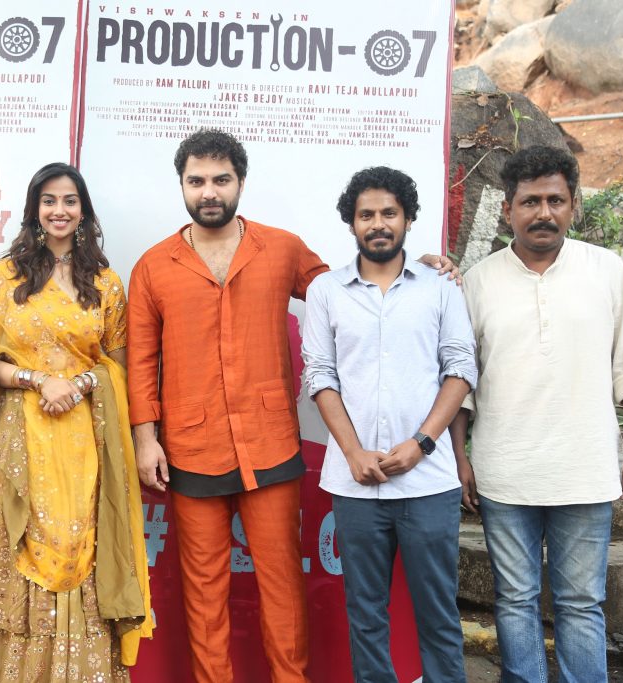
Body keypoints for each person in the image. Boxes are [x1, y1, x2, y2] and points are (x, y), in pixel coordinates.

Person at [126, 128, 457, 683]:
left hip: (270, 444)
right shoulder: (154, 266)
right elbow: (140, 360)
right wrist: (145, 438)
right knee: (203, 594)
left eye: (221, 180)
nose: (210, 192)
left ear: (241, 182)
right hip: (190, 447)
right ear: (181, 185)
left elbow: (349, 294)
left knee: (282, 586)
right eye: (197, 181)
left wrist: (415, 271)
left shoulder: (280, 249)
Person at [451, 145, 623, 683]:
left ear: (573, 205)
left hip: (584, 471)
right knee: (514, 599)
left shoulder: (605, 271)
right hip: (503, 473)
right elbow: (461, 382)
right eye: (530, 201)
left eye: (555, 201)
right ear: (507, 210)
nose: (544, 212)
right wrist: (459, 458)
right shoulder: (479, 281)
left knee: (581, 603)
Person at [0, 162, 152, 682]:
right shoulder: (6, 276)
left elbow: (118, 366)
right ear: (34, 210)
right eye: (49, 201)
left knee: (81, 548)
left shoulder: (106, 283)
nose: (59, 211)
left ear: (84, 211)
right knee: (21, 549)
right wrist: (37, 379)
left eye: (70, 201)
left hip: (85, 440)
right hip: (21, 439)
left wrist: (82, 383)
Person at [303, 167, 476, 683]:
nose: (378, 223)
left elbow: (461, 367)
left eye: (389, 213)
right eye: (366, 215)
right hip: (355, 483)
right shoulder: (326, 290)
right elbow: (320, 374)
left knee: (438, 613)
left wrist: (422, 443)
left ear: (408, 219)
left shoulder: (440, 287)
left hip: (429, 483)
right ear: (351, 223)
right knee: (366, 614)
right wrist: (353, 452)